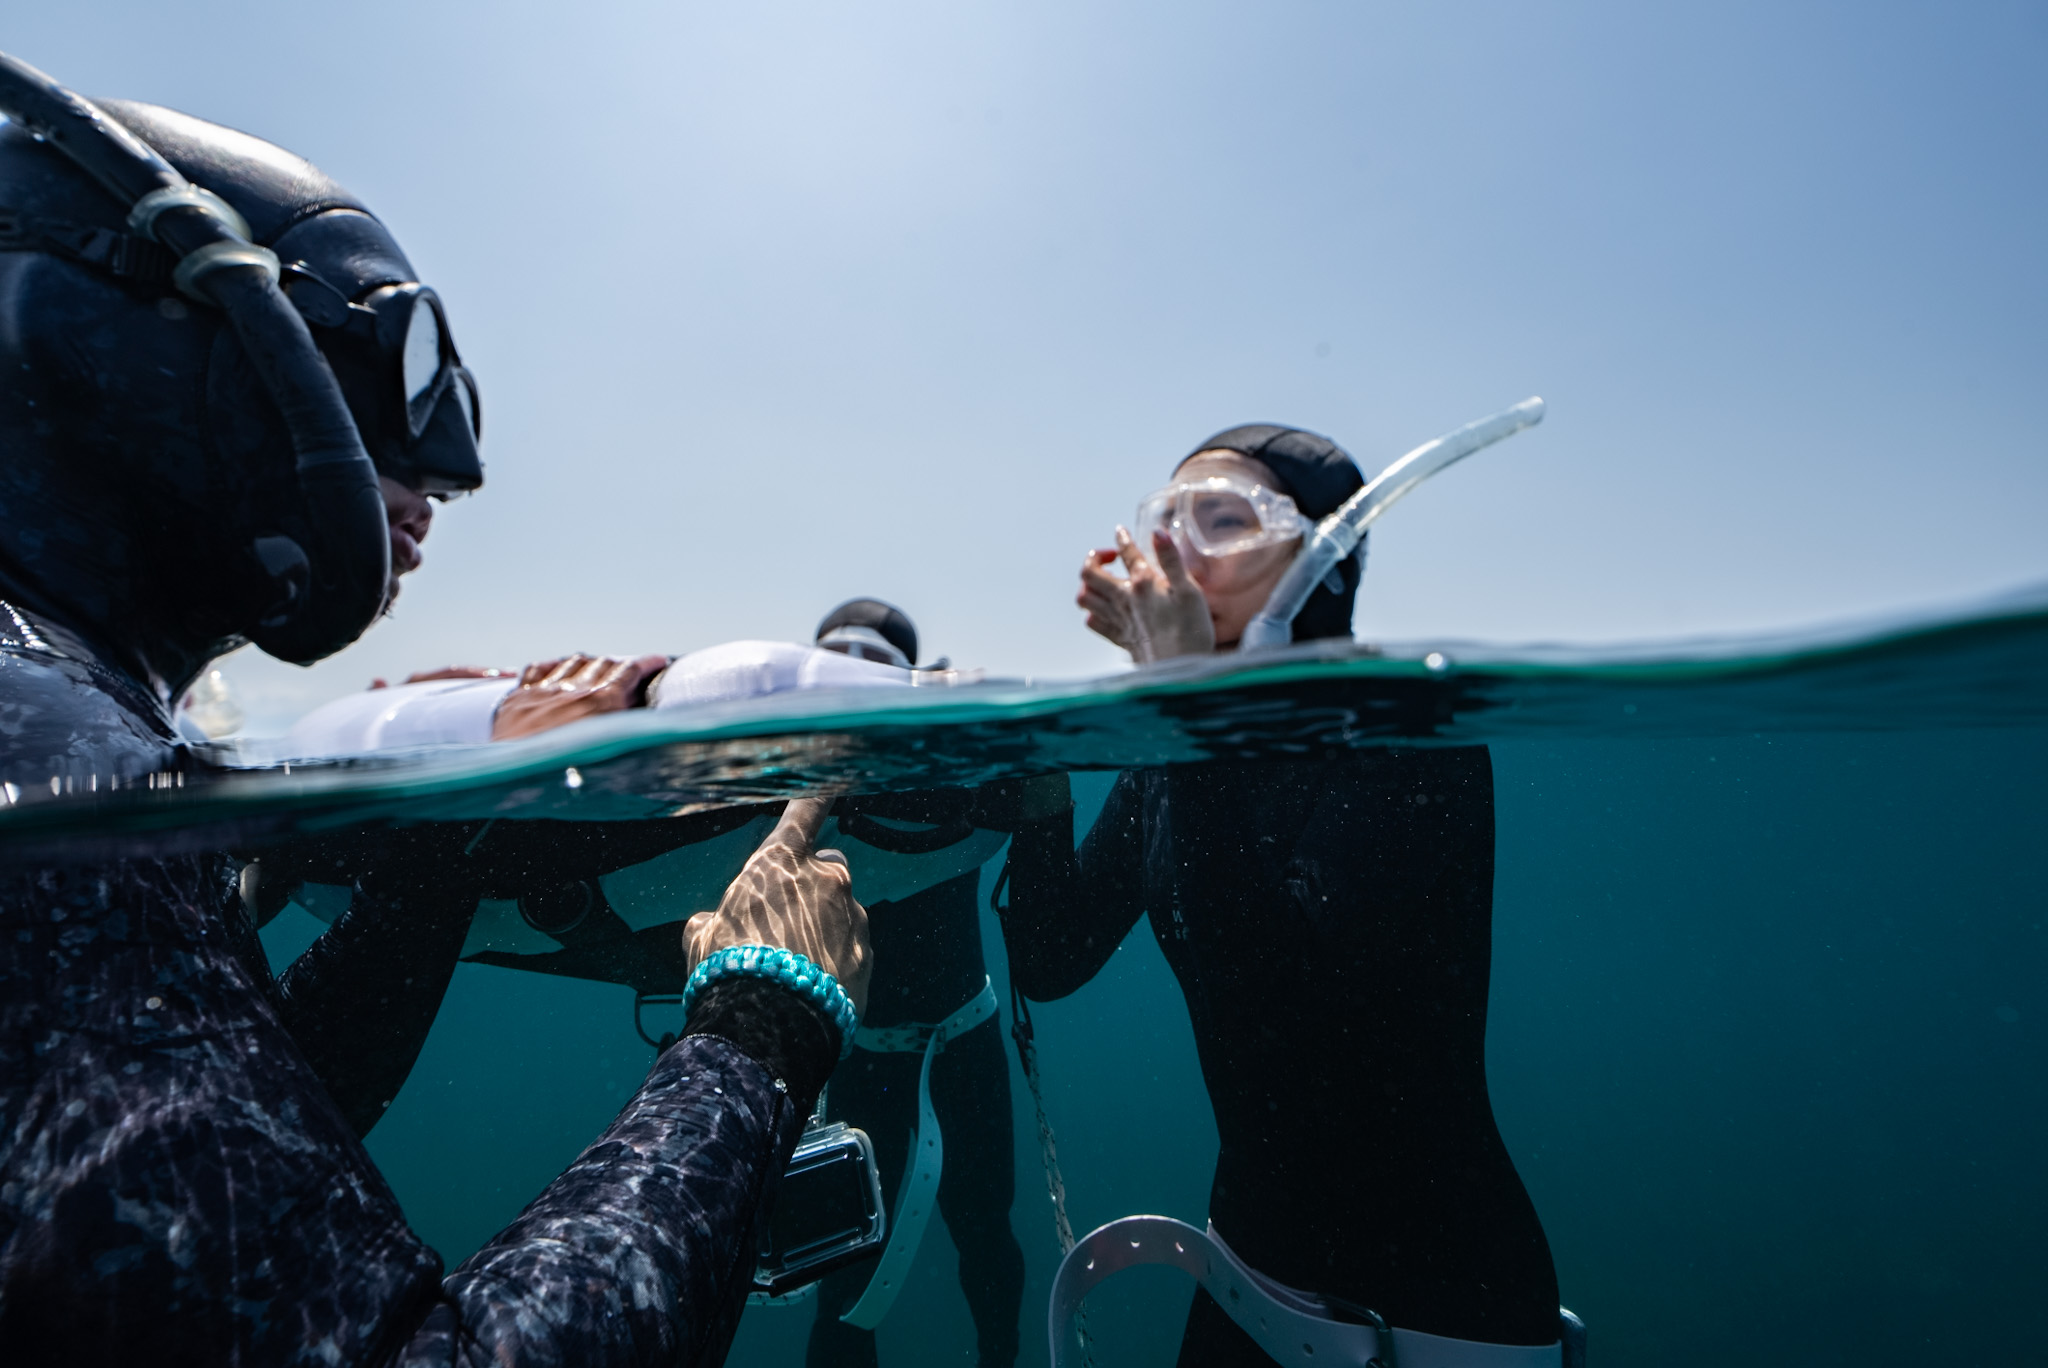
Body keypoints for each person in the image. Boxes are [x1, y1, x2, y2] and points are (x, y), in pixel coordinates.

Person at [0, 55, 870, 1368]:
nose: (436, 480)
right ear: (118, 326)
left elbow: (247, 1150)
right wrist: (758, 1022)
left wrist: (453, 831)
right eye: (370, 364)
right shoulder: (61, 767)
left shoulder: (60, 718)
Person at [997, 425, 1562, 1364]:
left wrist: (1183, 704)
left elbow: (1274, 999)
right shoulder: (1174, 760)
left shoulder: (1408, 730)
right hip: (1246, 1270)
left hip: (1436, 1300)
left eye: (1222, 520)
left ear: (1322, 559)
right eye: (1163, 521)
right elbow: (1051, 957)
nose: (1175, 550)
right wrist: (1038, 777)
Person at [802, 601, 1024, 1368]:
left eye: (875, 665)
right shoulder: (792, 769)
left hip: (965, 1040)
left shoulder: (953, 756)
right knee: (840, 1272)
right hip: (858, 1054)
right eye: (836, 663)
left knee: (985, 1230)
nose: (854, 680)